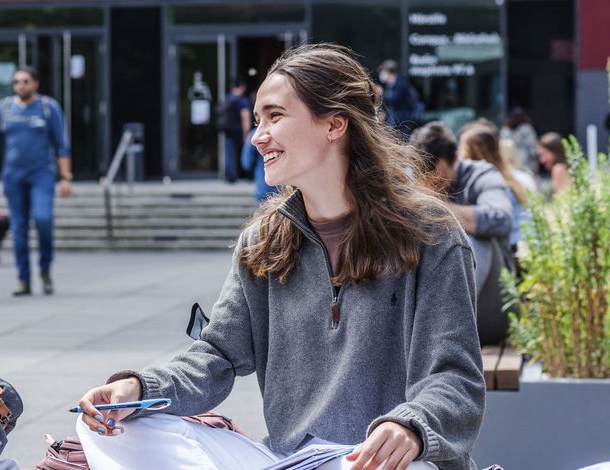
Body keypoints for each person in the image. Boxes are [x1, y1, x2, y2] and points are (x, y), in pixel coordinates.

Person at [76, 44, 484, 470]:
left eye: (275, 116)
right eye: (257, 121)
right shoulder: (264, 240)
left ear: (335, 124)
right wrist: (140, 387)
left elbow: (455, 378)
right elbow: (217, 354)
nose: (257, 136)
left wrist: (411, 426)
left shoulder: (430, 234)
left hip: (387, 462)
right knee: (132, 429)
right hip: (290, 460)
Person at [410, 121, 515, 345]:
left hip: (492, 307)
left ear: (455, 160)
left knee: (476, 239)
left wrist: (437, 210)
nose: (430, 186)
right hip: (429, 312)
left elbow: (501, 217)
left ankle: (439, 332)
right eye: (423, 178)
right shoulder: (409, 182)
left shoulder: (481, 175)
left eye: (437, 178)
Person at [0, 66, 71, 296]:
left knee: (43, 220)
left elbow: (62, 145)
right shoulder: (4, 109)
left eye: (25, 81)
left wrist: (66, 177)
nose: (20, 85)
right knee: (18, 230)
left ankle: (45, 270)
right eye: (16, 82)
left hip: (41, 174)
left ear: (35, 84)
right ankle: (24, 279)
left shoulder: (48, 107)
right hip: (13, 176)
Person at [458, 124, 535, 248]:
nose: (457, 156)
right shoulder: (510, 179)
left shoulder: (494, 185)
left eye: (462, 148)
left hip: (512, 252)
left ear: (473, 152)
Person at [378, 60, 423, 134]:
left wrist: (381, 93)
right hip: (394, 121)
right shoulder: (389, 85)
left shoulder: (401, 83)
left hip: (403, 120)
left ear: (389, 71)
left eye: (383, 71)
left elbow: (395, 99)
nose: (381, 74)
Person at [220, 80, 253, 183]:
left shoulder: (227, 99)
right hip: (239, 131)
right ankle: (246, 174)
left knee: (229, 153)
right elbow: (245, 117)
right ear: (241, 87)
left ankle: (229, 176)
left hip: (228, 130)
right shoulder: (242, 100)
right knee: (245, 152)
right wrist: (246, 133)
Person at [499, 107, 539, 174]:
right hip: (525, 161)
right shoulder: (527, 129)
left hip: (509, 160)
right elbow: (533, 147)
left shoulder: (505, 130)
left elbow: (502, 146)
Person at [536, 132, 571, 197]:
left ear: (554, 152)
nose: (542, 160)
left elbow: (562, 198)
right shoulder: (565, 167)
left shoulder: (558, 169)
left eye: (544, 154)